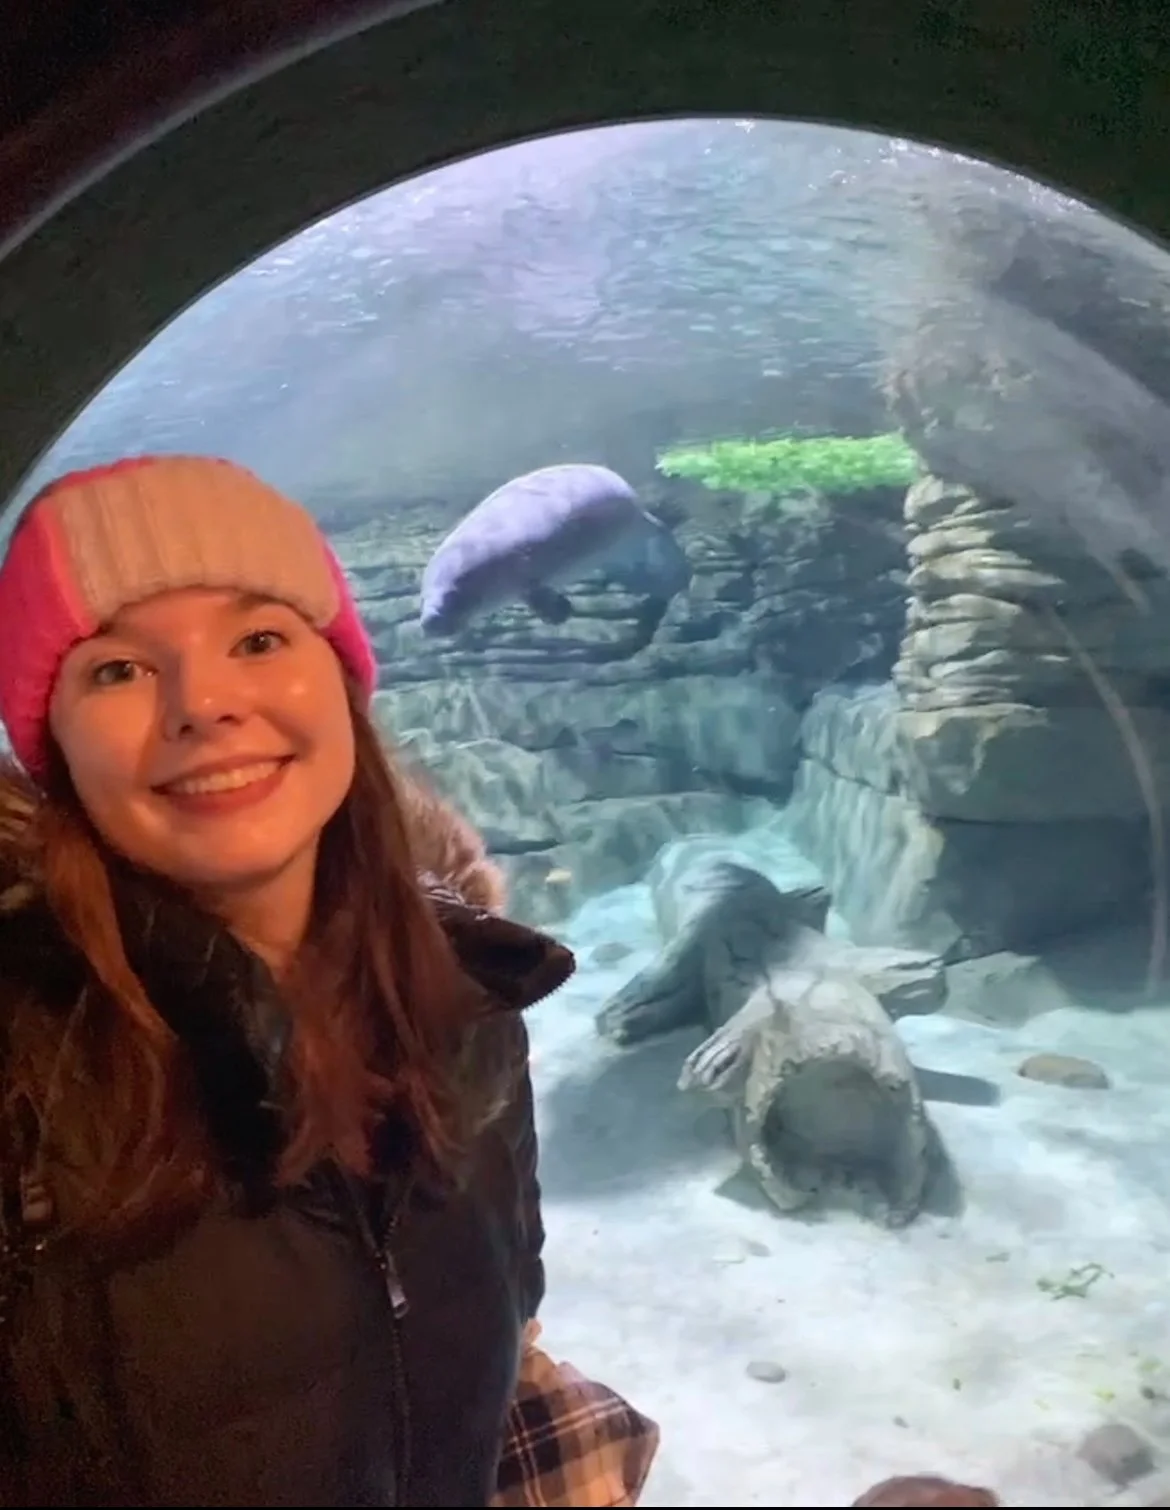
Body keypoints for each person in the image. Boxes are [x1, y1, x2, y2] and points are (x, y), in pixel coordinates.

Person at [0, 453, 578, 1506]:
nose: (204, 702)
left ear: (343, 681)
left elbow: (509, 1301)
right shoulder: (24, 1072)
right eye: (116, 668)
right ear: (55, 751)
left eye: (259, 637)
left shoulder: (471, 1002)